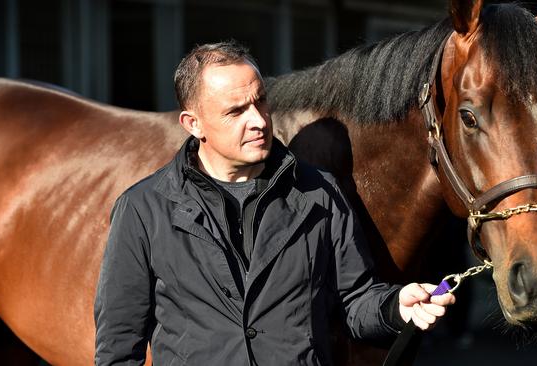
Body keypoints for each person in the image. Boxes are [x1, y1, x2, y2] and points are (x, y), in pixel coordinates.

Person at [94, 41, 455, 365]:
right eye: (235, 112)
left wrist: (394, 307)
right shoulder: (143, 209)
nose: (258, 121)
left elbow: (355, 300)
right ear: (193, 124)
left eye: (260, 100)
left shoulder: (320, 193)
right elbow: (118, 347)